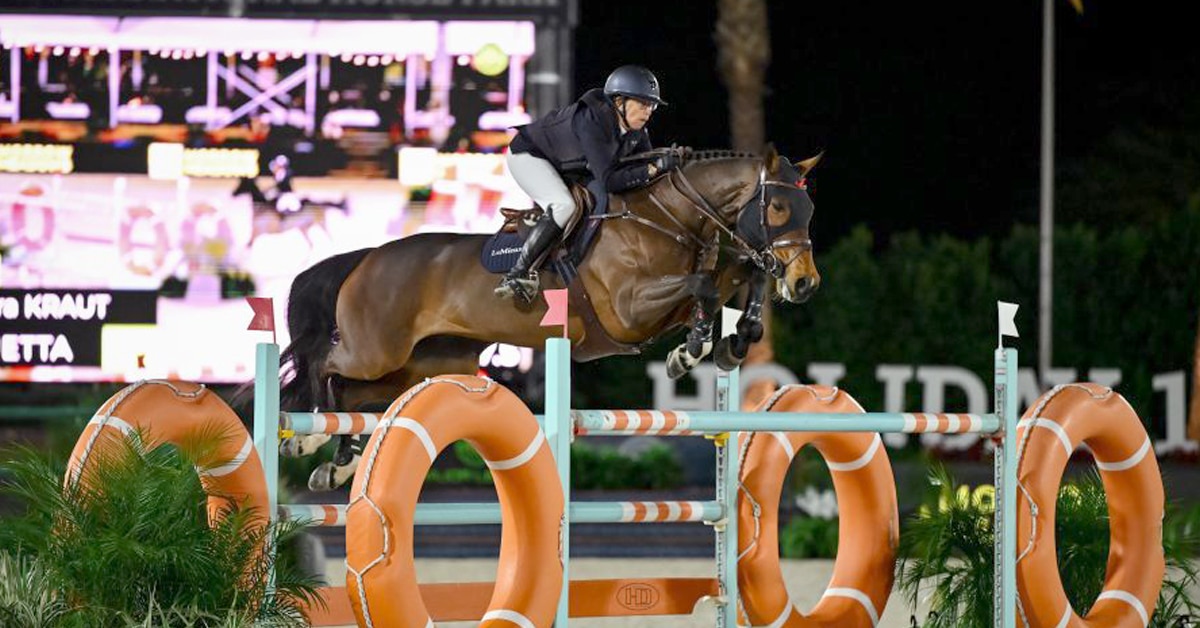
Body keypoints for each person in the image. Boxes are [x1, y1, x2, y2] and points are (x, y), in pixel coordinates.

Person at [496, 65, 680, 303]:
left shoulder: (636, 131)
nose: (649, 111)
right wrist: (654, 168)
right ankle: (518, 272)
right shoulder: (592, 120)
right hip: (529, 156)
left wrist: (668, 163)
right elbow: (612, 180)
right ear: (619, 101)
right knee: (564, 205)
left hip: (567, 166)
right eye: (643, 103)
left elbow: (643, 170)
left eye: (652, 105)